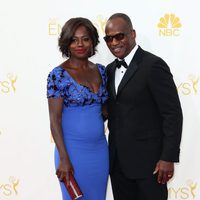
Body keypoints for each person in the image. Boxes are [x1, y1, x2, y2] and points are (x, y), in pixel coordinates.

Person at [104, 13, 183, 200]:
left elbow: (172, 113)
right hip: (118, 165)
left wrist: (168, 157)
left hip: (150, 165)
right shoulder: (109, 70)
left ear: (132, 34)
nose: (114, 42)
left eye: (119, 36)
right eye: (109, 38)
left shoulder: (153, 65)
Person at [47, 17, 109, 200]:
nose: (80, 44)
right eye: (74, 40)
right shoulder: (58, 75)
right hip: (71, 152)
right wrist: (64, 159)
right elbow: (54, 120)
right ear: (66, 43)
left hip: (99, 151)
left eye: (85, 38)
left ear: (93, 41)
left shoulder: (102, 70)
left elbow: (105, 110)